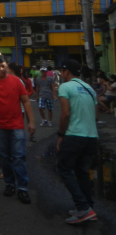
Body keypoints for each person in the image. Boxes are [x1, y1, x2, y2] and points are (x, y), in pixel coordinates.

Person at [0, 55, 35, 204]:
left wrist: (31, 121)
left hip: (16, 125)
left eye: (3, 66)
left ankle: (22, 188)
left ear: (7, 66)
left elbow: (26, 101)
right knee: (4, 157)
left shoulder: (16, 81)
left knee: (19, 156)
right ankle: (9, 184)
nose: (1, 69)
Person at [56, 59, 99, 224]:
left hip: (74, 135)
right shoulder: (90, 89)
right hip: (91, 136)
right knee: (82, 172)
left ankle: (83, 208)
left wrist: (61, 134)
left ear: (66, 71)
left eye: (61, 70)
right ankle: (88, 208)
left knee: (64, 168)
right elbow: (96, 116)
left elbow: (65, 113)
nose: (60, 73)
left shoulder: (65, 87)